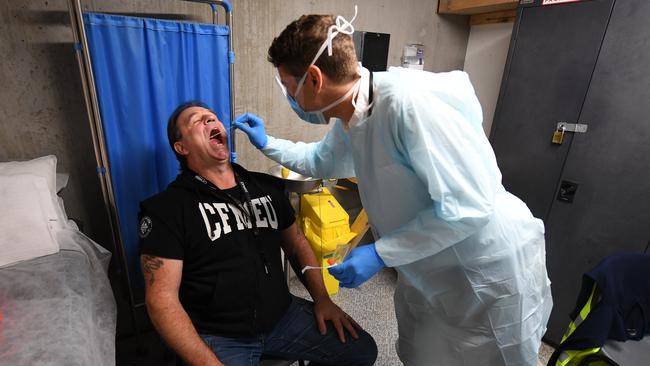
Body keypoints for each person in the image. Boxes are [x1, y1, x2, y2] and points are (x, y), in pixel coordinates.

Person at [233, 8, 553, 366]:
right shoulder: (354, 114)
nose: (288, 97)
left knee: (494, 358)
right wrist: (267, 142)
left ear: (314, 79)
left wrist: (381, 253)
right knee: (422, 352)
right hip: (428, 266)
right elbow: (321, 162)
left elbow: (469, 207)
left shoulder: (409, 105)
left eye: (287, 86)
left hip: (484, 270)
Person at [138, 101, 377, 366]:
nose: (210, 121)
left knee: (360, 351)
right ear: (181, 147)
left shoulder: (265, 187)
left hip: (283, 317)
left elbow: (297, 244)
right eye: (197, 121)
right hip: (218, 335)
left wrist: (323, 299)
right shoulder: (167, 209)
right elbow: (161, 300)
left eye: (213, 118)